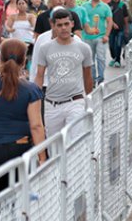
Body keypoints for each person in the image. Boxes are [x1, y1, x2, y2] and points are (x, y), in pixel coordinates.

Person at [0, 38, 45, 202]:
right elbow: (36, 126)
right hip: (20, 149)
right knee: (19, 201)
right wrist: (43, 157)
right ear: (24, 60)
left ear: (0, 58)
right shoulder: (31, 89)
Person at [34, 9, 93, 137]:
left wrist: (89, 100)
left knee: (74, 142)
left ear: (72, 24)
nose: (64, 28)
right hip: (52, 104)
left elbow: (88, 76)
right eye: (59, 25)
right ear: (53, 25)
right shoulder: (45, 48)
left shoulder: (83, 48)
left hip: (75, 102)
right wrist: (36, 100)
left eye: (66, 24)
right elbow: (39, 75)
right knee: (54, 146)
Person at [81, 0, 113, 84]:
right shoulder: (84, 6)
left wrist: (106, 35)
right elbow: (81, 20)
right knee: (90, 60)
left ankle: (101, 77)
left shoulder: (105, 7)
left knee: (101, 58)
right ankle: (93, 78)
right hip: (87, 36)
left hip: (101, 36)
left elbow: (110, 21)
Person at [108, 0, 129, 68]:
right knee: (111, 45)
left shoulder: (122, 5)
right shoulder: (108, 5)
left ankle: (118, 60)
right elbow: (107, 17)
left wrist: (126, 28)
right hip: (111, 29)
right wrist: (112, 23)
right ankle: (114, 57)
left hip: (120, 28)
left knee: (119, 44)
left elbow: (125, 17)